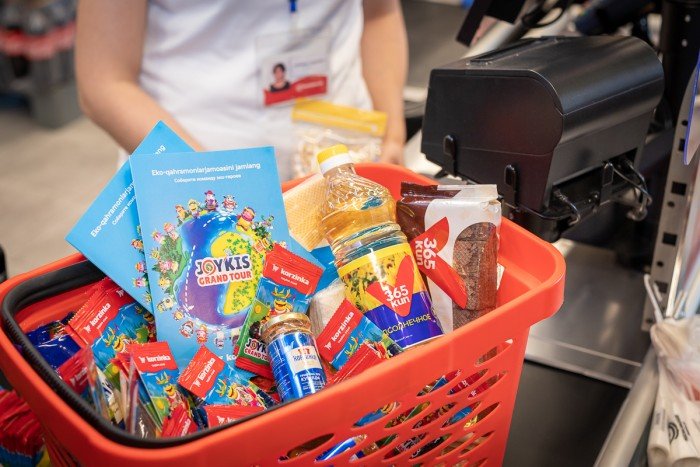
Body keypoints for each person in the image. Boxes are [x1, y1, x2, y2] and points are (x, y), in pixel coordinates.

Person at [75, 1, 408, 181]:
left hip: (345, 155)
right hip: (195, 171)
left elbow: (379, 12)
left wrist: (392, 135)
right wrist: (211, 182)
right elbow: (105, 82)